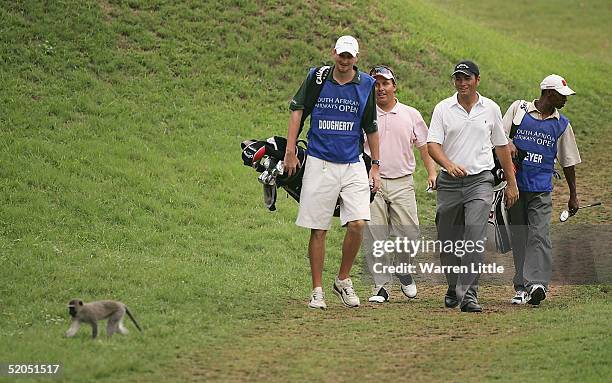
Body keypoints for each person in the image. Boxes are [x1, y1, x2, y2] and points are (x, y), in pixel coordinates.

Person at [284, 35, 381, 309]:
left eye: (349, 56)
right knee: (319, 228)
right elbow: (297, 111)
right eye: (341, 54)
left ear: (357, 58)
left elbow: (371, 127)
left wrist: (375, 166)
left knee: (358, 223)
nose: (344, 60)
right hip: (319, 161)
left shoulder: (366, 85)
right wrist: (290, 150)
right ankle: (317, 290)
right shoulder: (317, 78)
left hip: (352, 163)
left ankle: (342, 280)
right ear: (333, 53)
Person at [427, 60, 519, 313]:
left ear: (477, 80)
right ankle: (453, 284)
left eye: (467, 78)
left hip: (480, 181)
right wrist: (448, 164)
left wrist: (511, 183)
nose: (462, 83)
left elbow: (501, 147)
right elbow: (432, 144)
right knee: (448, 238)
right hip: (449, 182)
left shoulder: (490, 108)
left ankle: (469, 295)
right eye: (458, 78)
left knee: (474, 236)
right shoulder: (443, 108)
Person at [502, 74, 580, 306]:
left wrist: (573, 195)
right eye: (561, 95)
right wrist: (509, 143)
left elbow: (568, 162)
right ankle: (521, 287)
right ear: (548, 93)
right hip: (513, 187)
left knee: (539, 234)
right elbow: (498, 137)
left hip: (541, 189)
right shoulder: (519, 110)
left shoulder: (562, 125)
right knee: (520, 237)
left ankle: (537, 284)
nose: (565, 100)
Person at [362, 65, 437, 303]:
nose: (381, 88)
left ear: (394, 86)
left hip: (403, 182)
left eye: (385, 83)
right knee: (375, 235)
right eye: (376, 83)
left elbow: (424, 146)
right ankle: (381, 287)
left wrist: (432, 172)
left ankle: (403, 269)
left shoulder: (410, 114)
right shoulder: (364, 114)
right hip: (372, 182)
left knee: (410, 233)